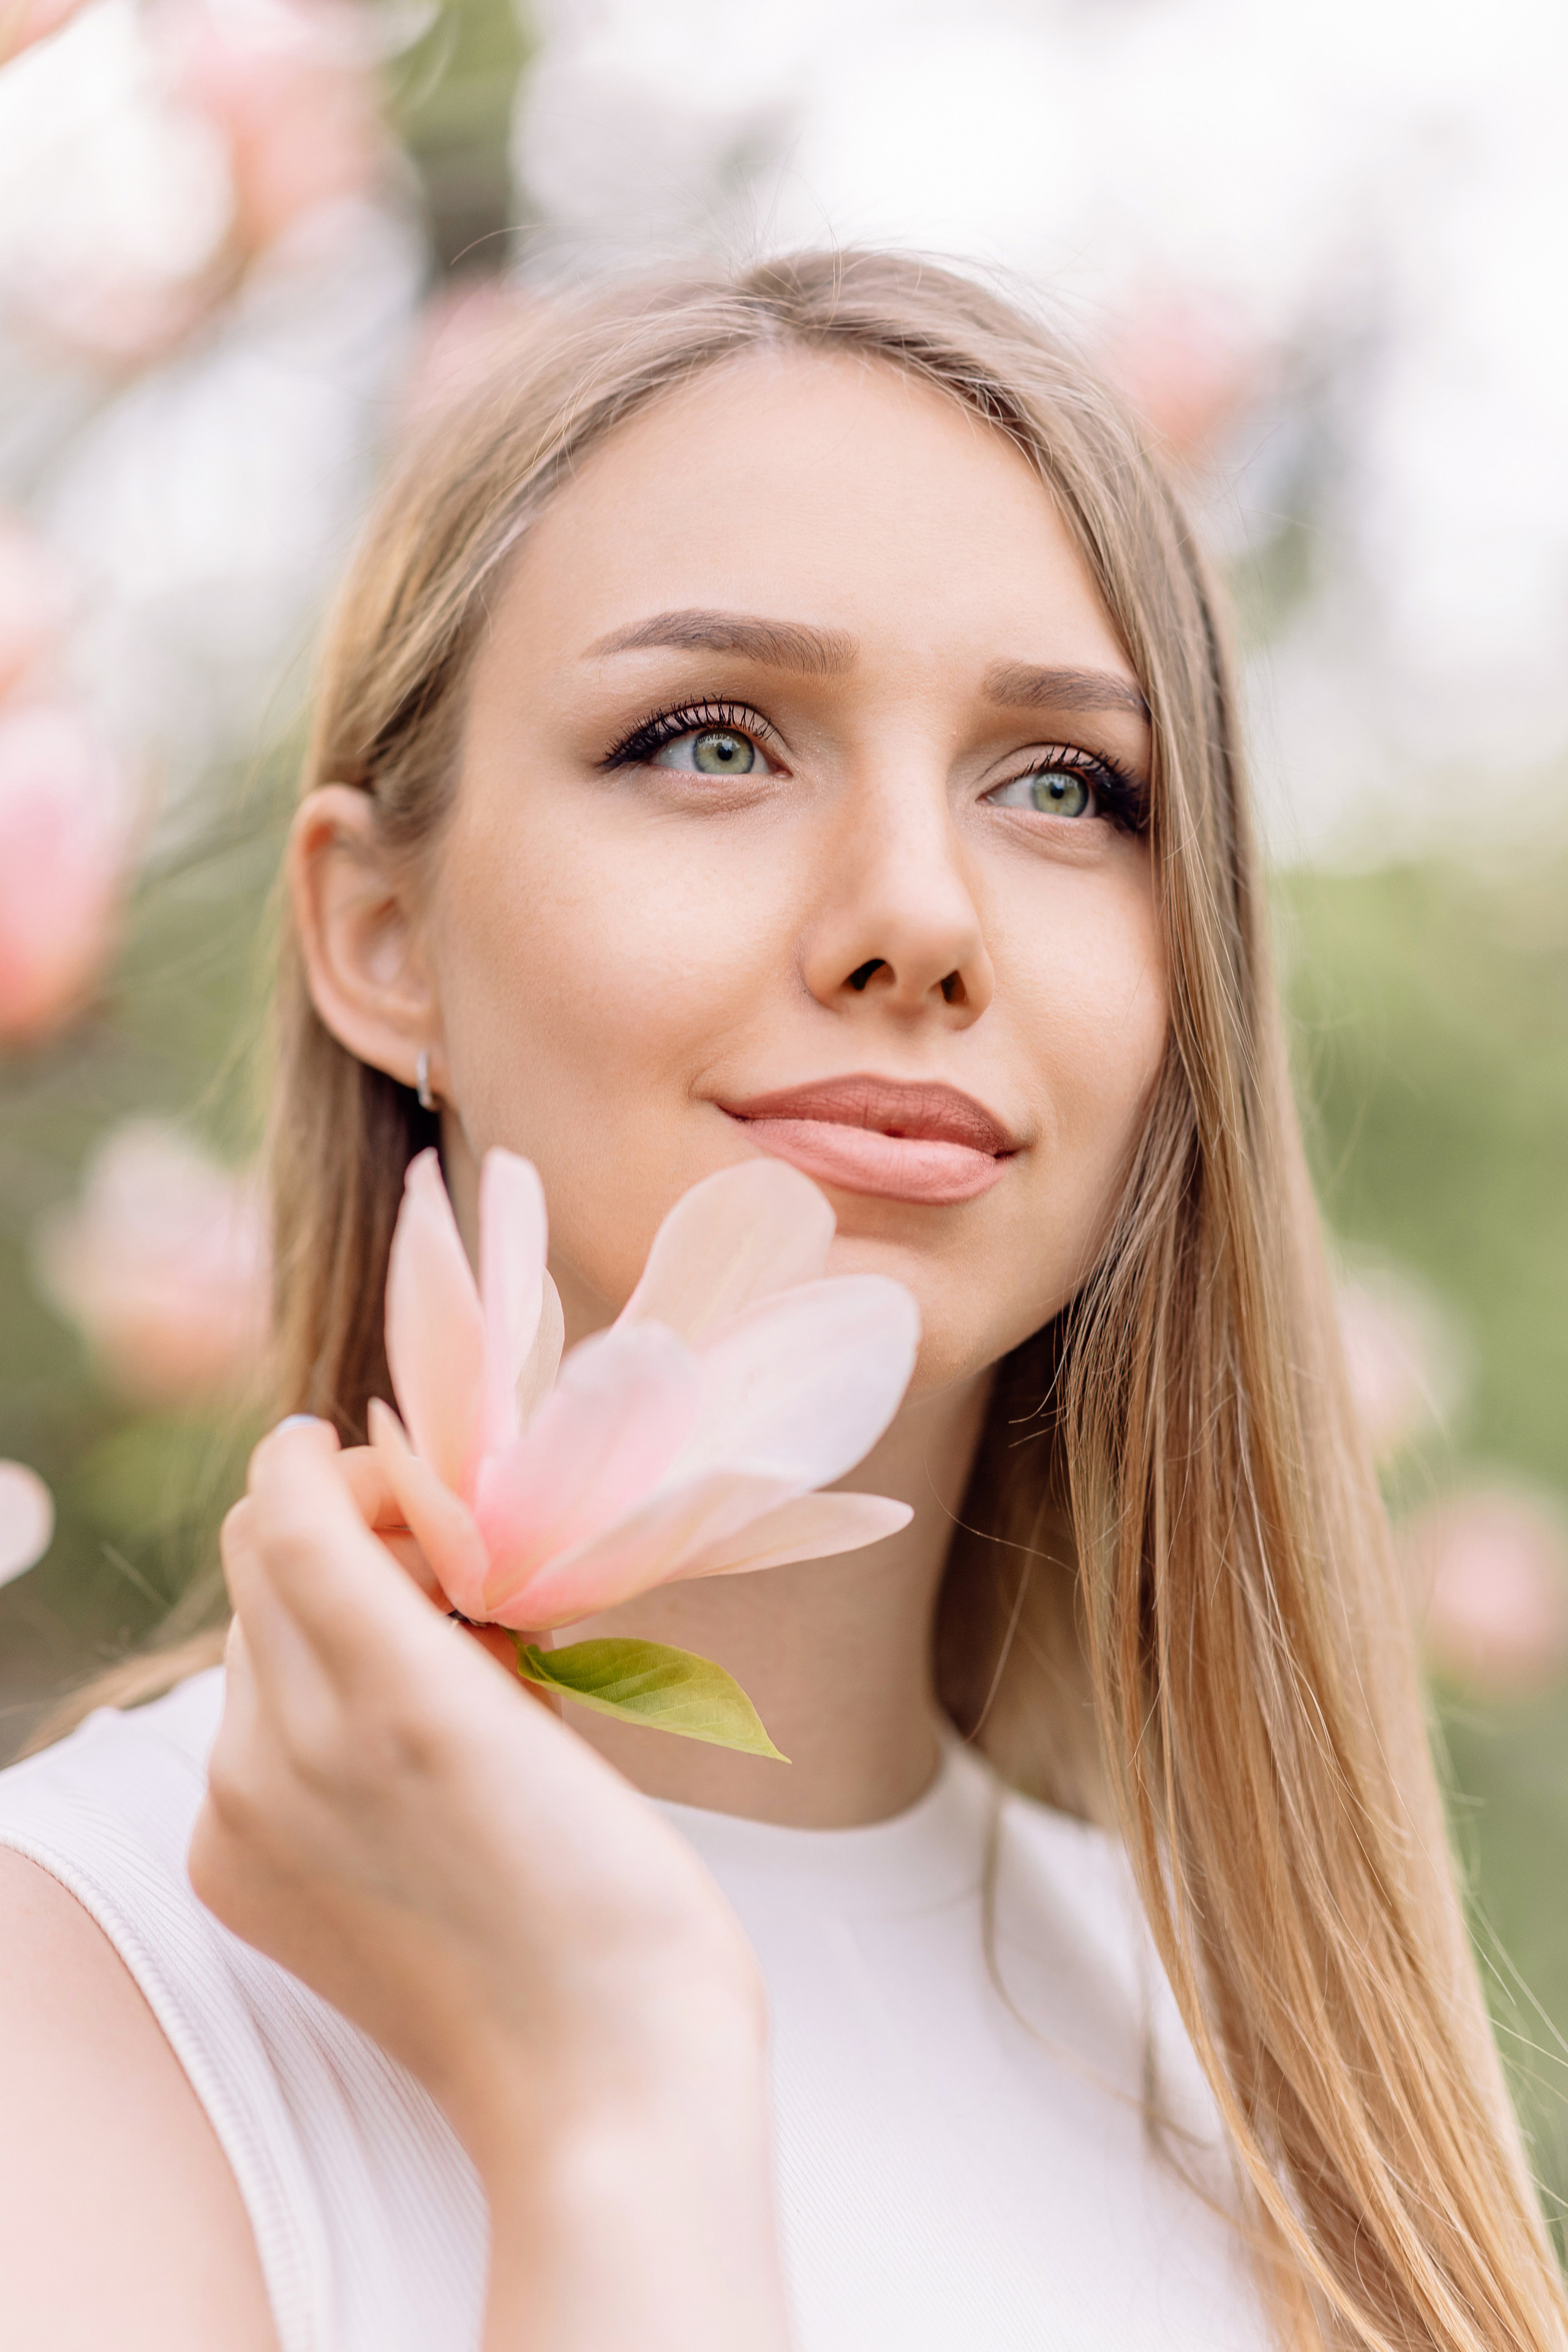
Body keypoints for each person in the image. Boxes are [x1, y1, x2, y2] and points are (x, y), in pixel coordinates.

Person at [0, 249, 1560, 2352]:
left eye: (1064, 787)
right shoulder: (81, 1995)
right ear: (382, 936)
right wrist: (609, 2113)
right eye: (714, 740)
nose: (918, 914)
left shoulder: (1275, 2075)